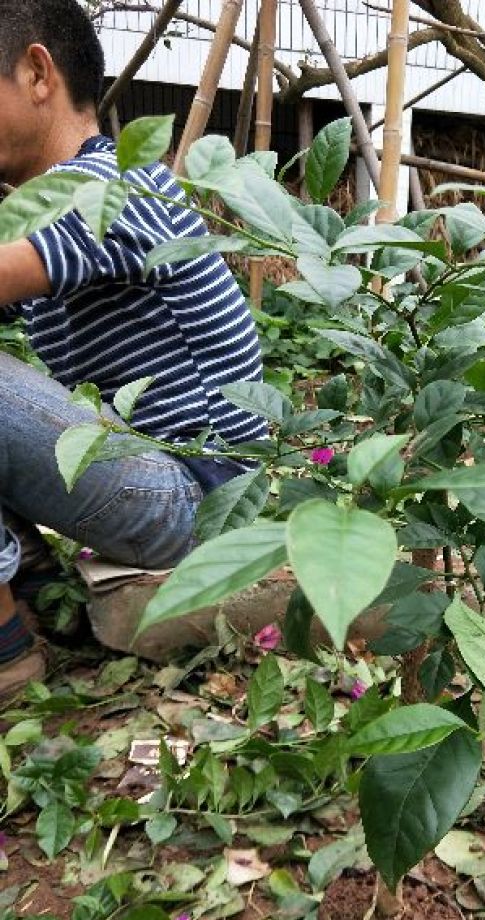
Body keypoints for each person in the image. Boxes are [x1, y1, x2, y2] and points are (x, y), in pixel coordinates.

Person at [0, 0, 269, 699]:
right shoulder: (50, 206)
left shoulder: (109, 188)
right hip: (147, 479)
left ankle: (5, 647)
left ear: (37, 74)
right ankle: (30, 577)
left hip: (199, 501)